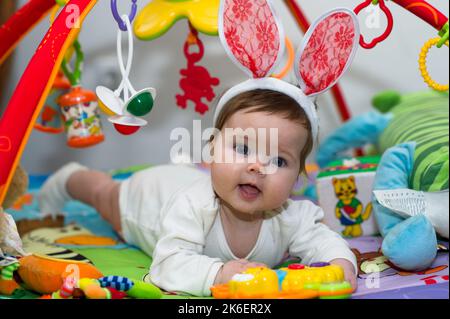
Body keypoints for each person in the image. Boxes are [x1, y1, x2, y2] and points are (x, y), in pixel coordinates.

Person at [39, 89, 357, 296]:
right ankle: (70, 177)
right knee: (102, 192)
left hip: (184, 178)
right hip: (145, 200)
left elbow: (323, 240)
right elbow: (167, 266)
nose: (258, 167)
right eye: (243, 148)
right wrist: (218, 272)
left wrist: (340, 263)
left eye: (278, 160)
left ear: (297, 178)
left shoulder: (290, 215)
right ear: (211, 150)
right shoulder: (195, 205)